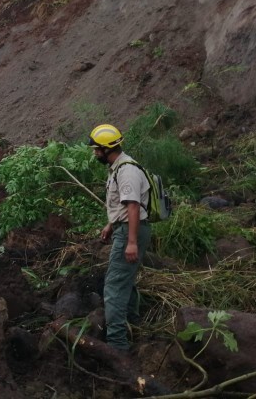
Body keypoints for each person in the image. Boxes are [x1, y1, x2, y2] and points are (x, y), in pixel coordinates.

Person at [89, 123, 151, 352]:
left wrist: (131, 242)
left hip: (130, 232)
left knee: (114, 285)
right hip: (124, 228)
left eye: (97, 149)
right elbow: (124, 206)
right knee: (126, 279)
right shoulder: (118, 167)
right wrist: (111, 225)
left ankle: (117, 346)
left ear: (107, 149)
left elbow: (133, 206)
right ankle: (134, 322)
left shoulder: (126, 171)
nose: (94, 153)